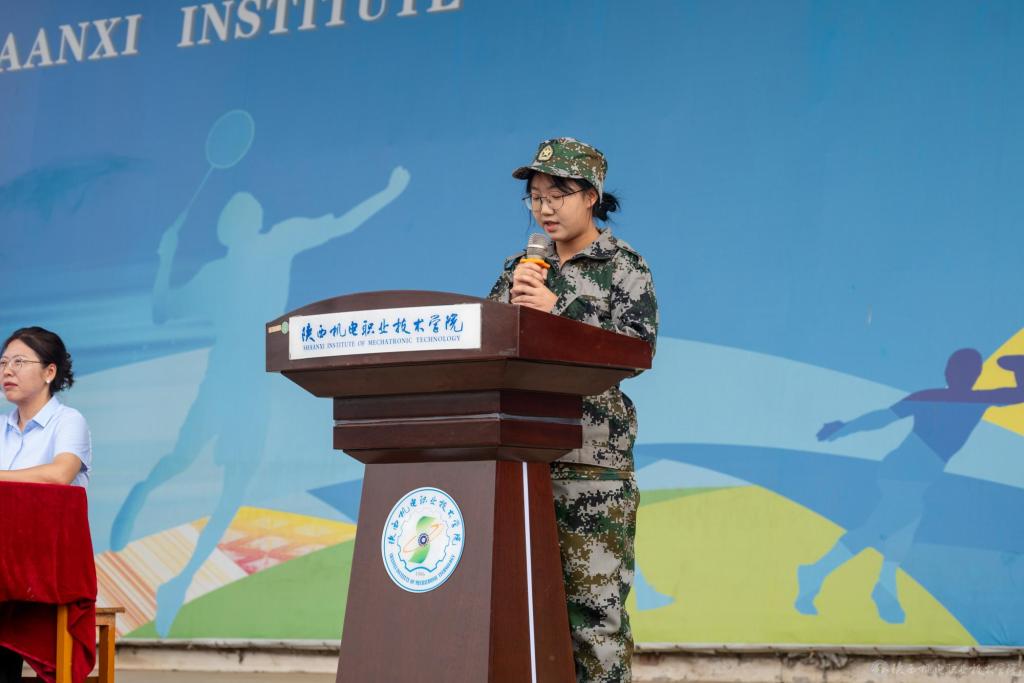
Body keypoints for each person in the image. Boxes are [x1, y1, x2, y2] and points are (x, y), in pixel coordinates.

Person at [488, 138, 658, 683]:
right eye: (536, 196)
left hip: (591, 468)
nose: (544, 208)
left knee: (593, 623)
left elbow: (636, 352)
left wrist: (558, 310)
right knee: (523, 617)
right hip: (520, 465)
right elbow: (485, 347)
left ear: (591, 196)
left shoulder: (623, 266)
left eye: (557, 194)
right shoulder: (521, 268)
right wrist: (508, 307)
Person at [796, 349, 1024, 623]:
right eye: (959, 369)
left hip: (914, 476)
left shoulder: (971, 399)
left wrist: (1017, 366)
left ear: (973, 375)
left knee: (898, 529)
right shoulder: (943, 398)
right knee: (884, 527)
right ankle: (830, 576)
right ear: (949, 373)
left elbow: (1019, 394)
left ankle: (867, 585)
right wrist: (844, 427)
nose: (962, 375)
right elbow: (882, 417)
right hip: (902, 473)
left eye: (968, 370)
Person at [0, 326, 92, 683]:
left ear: (49, 372)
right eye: (3, 362)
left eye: (19, 362)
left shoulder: (68, 421)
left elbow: (60, 474)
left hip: (50, 571)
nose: (7, 371)